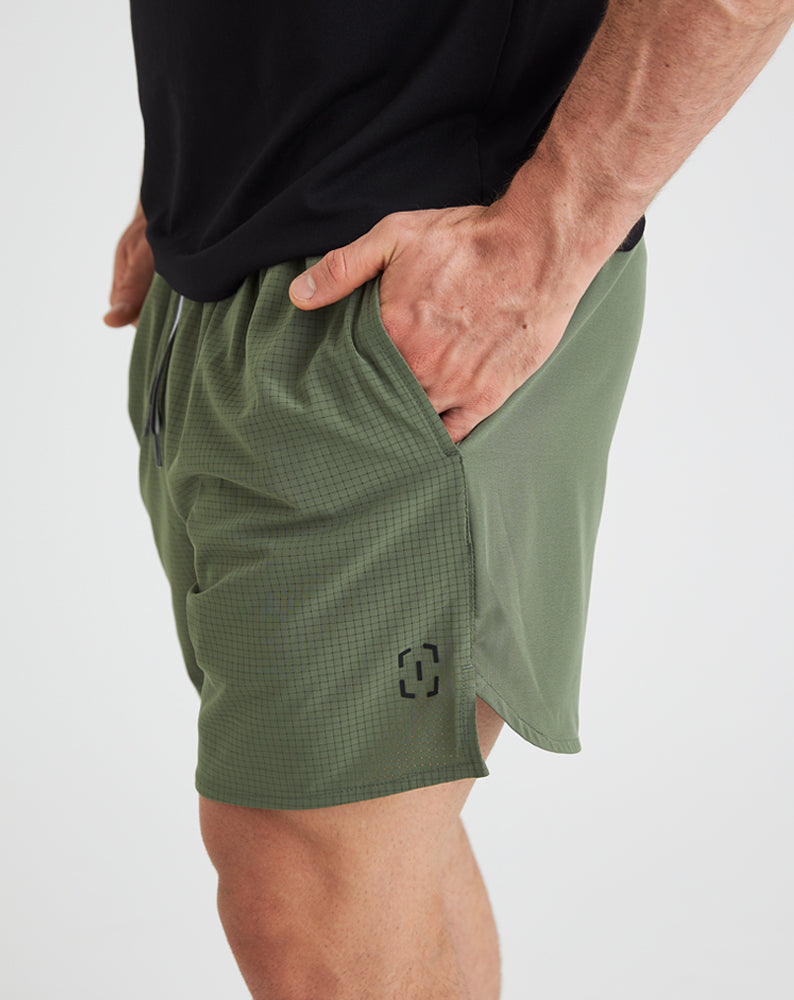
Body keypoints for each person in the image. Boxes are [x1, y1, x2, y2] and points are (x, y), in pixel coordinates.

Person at [105, 2, 793, 997]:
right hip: (225, 265)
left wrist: (547, 235)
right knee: (372, 853)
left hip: (403, 309)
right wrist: (196, 164)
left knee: (304, 878)